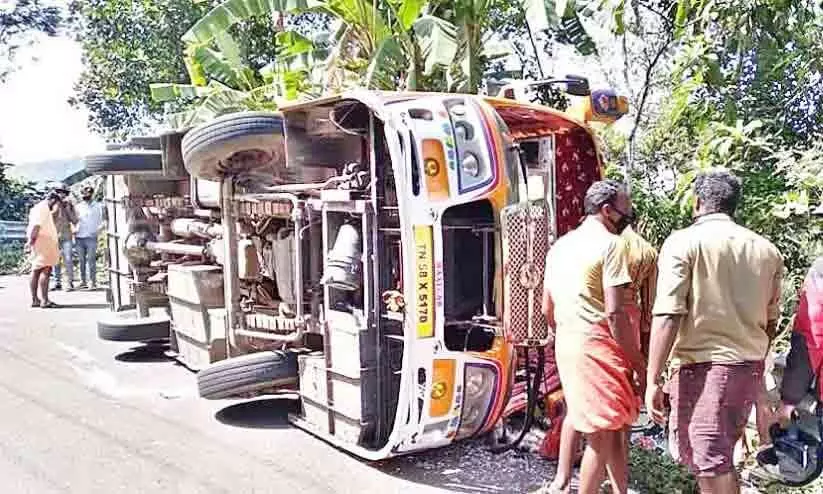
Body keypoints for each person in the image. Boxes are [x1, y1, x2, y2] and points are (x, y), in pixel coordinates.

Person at [645, 169, 783, 494]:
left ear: (697, 202)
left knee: (708, 464)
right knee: (720, 460)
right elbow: (771, 321)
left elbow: (668, 314)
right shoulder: (766, 250)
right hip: (747, 368)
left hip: (704, 370)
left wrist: (652, 380)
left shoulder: (684, 242)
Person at [538, 180, 645, 494]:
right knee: (601, 436)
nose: (628, 217)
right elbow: (615, 313)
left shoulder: (559, 247)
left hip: (568, 343)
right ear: (607, 210)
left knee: (609, 427)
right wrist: (638, 363)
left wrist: (568, 332)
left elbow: (546, 308)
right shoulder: (611, 245)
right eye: (626, 210)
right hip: (598, 346)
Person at [27, 190, 61, 308]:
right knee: (46, 270)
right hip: (44, 241)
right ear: (53, 200)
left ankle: (35, 299)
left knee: (36, 270)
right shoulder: (43, 208)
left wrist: (31, 240)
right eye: (56, 203)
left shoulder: (36, 208)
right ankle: (45, 300)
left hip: (40, 240)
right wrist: (31, 240)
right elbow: (36, 226)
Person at [74, 184, 104, 290]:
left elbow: (104, 220)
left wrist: (98, 230)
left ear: (91, 194)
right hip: (79, 236)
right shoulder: (78, 207)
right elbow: (74, 220)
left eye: (87, 193)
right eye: (83, 193)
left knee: (91, 260)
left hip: (92, 237)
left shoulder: (98, 206)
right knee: (81, 260)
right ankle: (83, 281)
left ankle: (92, 282)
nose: (85, 195)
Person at [50, 182, 77, 291]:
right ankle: (57, 282)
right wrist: (55, 207)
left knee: (68, 259)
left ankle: (69, 282)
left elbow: (74, 220)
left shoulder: (69, 204)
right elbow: (47, 217)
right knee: (55, 260)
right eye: (59, 192)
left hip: (66, 235)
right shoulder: (52, 204)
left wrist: (67, 208)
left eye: (63, 192)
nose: (61, 194)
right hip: (54, 235)